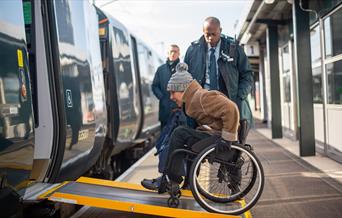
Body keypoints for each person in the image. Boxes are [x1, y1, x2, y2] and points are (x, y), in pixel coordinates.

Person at [141, 63, 239, 191]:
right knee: (185, 138)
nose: (171, 97)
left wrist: (227, 138)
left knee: (179, 133)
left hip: (221, 140)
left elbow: (231, 108)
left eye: (172, 92)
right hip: (214, 135)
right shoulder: (193, 99)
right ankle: (185, 183)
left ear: (183, 90)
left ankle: (171, 180)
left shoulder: (201, 97)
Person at [184, 16, 253, 144]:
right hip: (203, 107)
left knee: (230, 149)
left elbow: (247, 76)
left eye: (213, 34)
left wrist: (239, 97)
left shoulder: (234, 48)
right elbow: (186, 79)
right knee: (199, 148)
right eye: (207, 34)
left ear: (220, 30)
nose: (210, 38)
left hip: (228, 105)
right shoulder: (193, 50)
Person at [152, 44, 181, 129]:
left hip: (179, 111)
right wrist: (162, 97)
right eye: (171, 51)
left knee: (178, 137)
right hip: (165, 110)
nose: (173, 53)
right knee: (164, 136)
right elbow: (154, 86)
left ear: (179, 53)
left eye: (175, 52)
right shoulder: (161, 69)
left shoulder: (183, 69)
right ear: (168, 53)